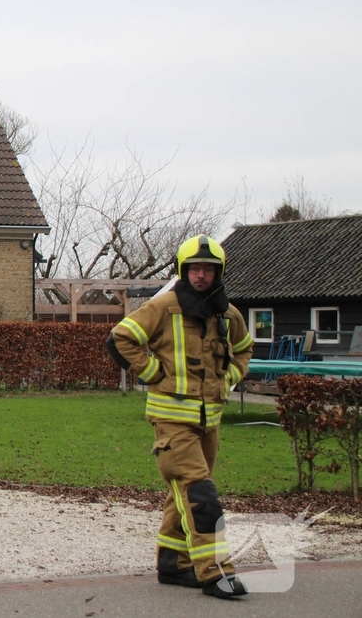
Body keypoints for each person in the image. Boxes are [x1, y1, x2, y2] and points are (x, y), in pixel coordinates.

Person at [106, 235, 254, 600]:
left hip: (209, 422)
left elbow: (243, 351)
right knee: (201, 494)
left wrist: (228, 379)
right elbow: (120, 338)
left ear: (219, 272)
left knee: (184, 493)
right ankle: (215, 571)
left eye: (208, 269)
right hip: (171, 421)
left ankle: (173, 564)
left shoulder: (227, 313)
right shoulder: (164, 306)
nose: (201, 275)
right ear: (183, 271)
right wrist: (154, 374)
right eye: (195, 269)